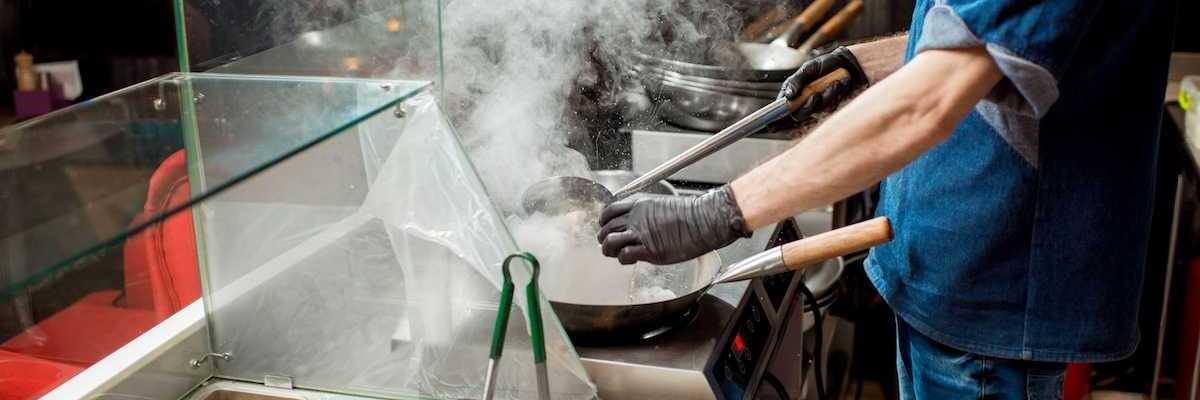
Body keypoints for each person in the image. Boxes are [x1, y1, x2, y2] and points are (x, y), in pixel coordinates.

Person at [598, 1, 1177, 398]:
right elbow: (979, 36)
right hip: (951, 272)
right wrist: (863, 65)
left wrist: (717, 212)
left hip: (995, 293)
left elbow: (928, 102)